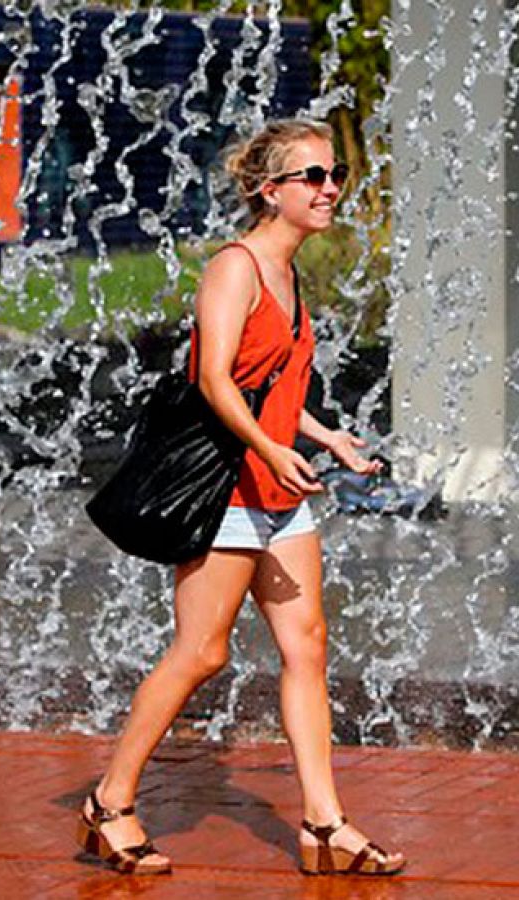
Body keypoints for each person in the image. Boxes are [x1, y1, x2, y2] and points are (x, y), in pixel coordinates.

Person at [75, 120, 406, 877]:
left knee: (307, 644)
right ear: (268, 190)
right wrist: (270, 447)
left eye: (335, 174)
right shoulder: (237, 268)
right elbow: (214, 380)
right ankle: (110, 801)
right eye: (313, 176)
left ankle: (324, 823)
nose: (330, 188)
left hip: (277, 486)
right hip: (227, 487)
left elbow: (271, 383)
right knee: (202, 652)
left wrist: (322, 435)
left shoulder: (288, 273)